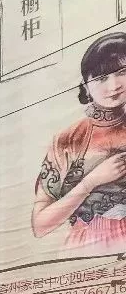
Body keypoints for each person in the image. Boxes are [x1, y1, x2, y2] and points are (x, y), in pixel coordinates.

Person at [32, 33, 126, 251]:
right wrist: (91, 181)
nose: (114, 86)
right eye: (101, 78)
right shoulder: (68, 140)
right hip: (90, 248)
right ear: (85, 86)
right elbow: (40, 225)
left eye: (122, 72)